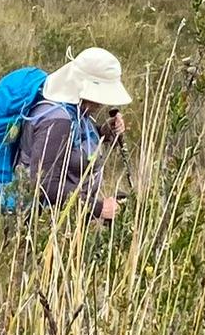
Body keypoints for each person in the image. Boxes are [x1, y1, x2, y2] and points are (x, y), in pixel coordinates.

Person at [14, 46, 130, 221]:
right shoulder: (57, 120)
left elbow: (71, 143)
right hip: (39, 224)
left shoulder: (73, 108)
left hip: (59, 220)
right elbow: (45, 184)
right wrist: (98, 208)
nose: (103, 103)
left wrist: (103, 132)